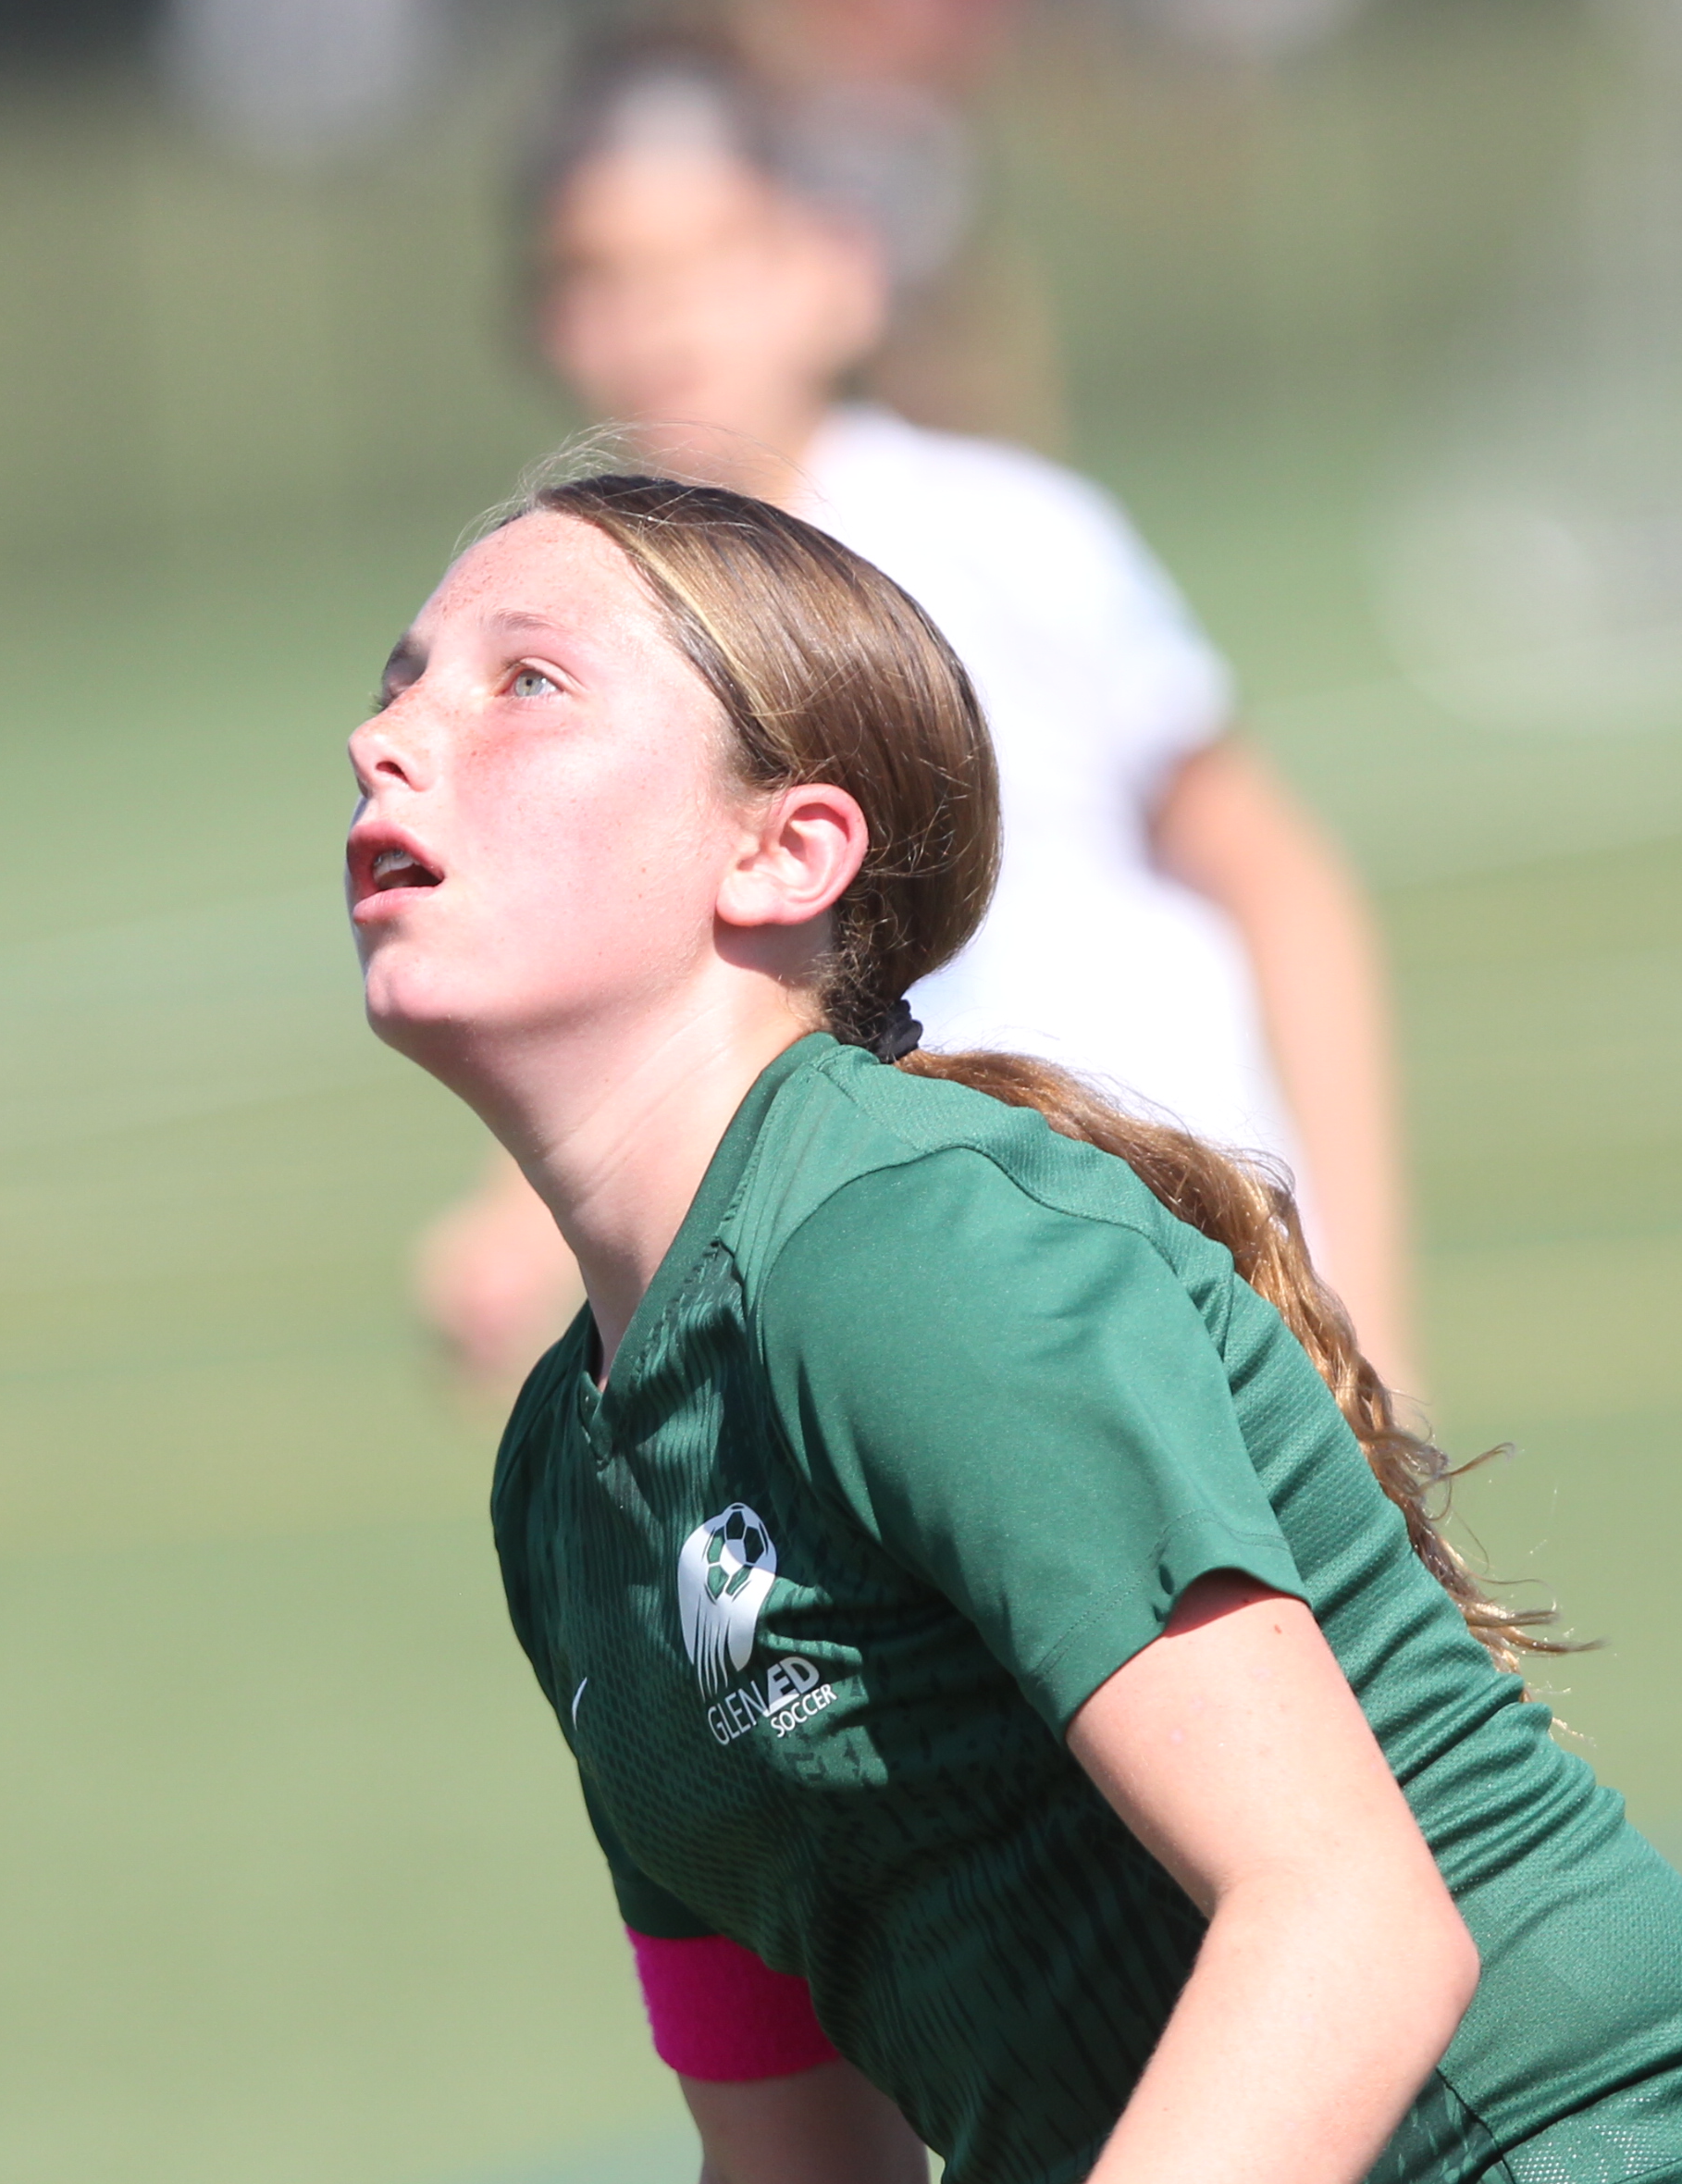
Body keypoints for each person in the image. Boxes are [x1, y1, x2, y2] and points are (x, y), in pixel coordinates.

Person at [350, 471, 1682, 2184]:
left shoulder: (907, 1249)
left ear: (785, 853)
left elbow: (1352, 1921)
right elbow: (787, 2182)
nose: (391, 737)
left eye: (525, 684)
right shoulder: (572, 1479)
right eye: (403, 682)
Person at [415, 32, 1417, 1403]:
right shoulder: (604, 627)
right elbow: (661, 976)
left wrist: (1366, 1287)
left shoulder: (1007, 534)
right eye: (603, 277)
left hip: (1179, 1258)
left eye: (713, 257)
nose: (662, 321)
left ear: (837, 269)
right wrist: (514, 1215)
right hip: (934, 1307)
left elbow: (1276, 877)